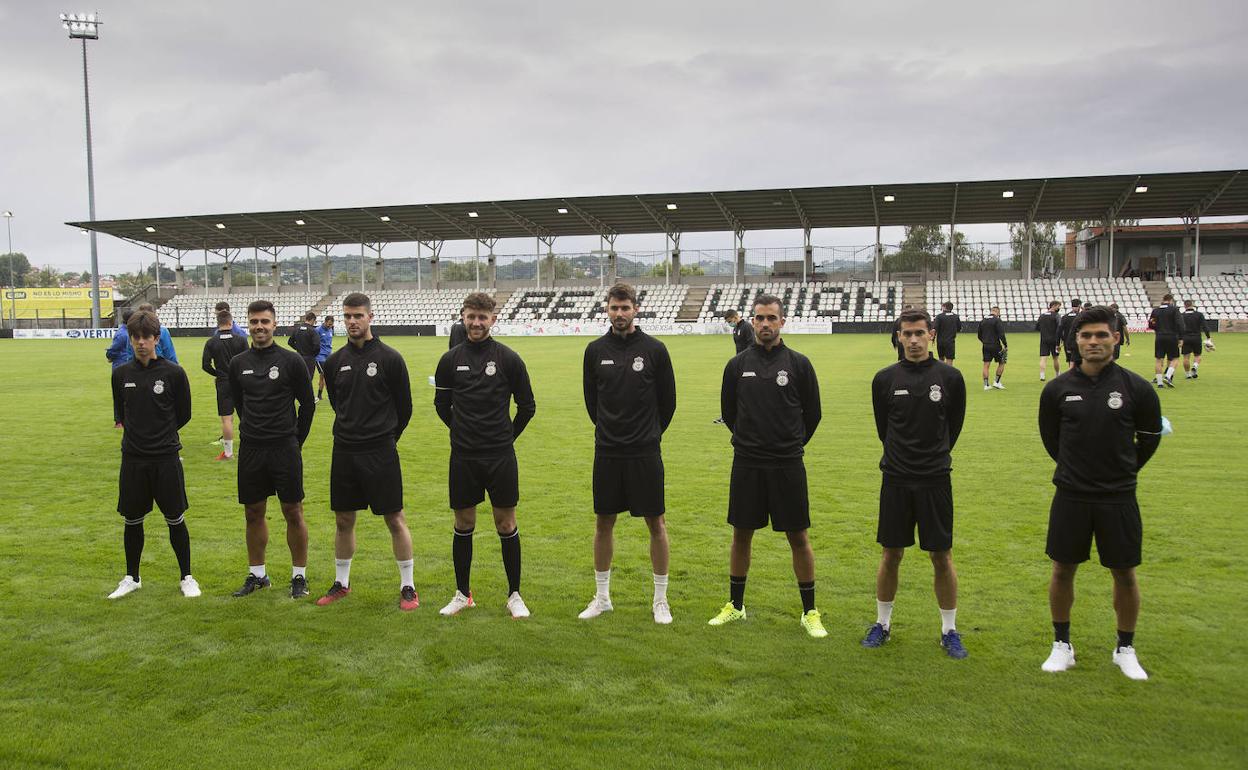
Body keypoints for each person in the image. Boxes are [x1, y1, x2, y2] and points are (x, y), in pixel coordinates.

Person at [1038, 305, 1163, 681]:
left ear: (1117, 338)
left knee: (1124, 573)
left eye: (1101, 335)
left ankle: (1125, 648)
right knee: (1062, 570)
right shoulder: (1058, 389)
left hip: (1118, 497)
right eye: (1086, 336)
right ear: (1075, 341)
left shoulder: (1136, 388)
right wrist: (1077, 468)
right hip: (1071, 495)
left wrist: (1123, 470)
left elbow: (1150, 439)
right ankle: (1062, 645)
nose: (1093, 342)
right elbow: (1051, 439)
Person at [710, 294, 827, 638]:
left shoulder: (799, 364)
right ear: (752, 321)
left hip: (787, 463)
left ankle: (810, 612)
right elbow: (729, 413)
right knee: (741, 535)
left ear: (782, 321)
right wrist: (749, 440)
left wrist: (790, 444)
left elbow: (813, 413)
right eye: (759, 318)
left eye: (771, 318)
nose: (764, 324)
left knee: (798, 537)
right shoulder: (737, 366)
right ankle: (736, 606)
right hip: (747, 462)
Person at [863, 308, 968, 658]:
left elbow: (952, 428)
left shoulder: (950, 378)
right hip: (895, 477)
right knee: (891, 553)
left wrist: (933, 455)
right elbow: (884, 429)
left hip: (935, 479)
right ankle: (882, 624)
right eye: (906, 334)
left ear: (931, 334)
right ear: (898, 337)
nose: (913, 340)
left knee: (941, 556)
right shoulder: (884, 379)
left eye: (919, 333)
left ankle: (949, 630)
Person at [434, 292, 537, 619]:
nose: (476, 323)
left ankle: (515, 595)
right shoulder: (450, 360)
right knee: (463, 522)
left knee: (506, 523)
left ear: (493, 319)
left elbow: (527, 407)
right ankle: (463, 594)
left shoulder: (509, 358)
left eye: (482, 317)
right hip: (463, 456)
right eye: (471, 316)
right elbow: (441, 405)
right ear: (462, 317)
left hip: (499, 457)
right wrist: (461, 431)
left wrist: (505, 436)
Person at [578, 283, 677, 624]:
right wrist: (611, 430)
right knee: (604, 522)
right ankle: (602, 597)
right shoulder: (594, 351)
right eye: (614, 308)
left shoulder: (655, 350)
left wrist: (647, 433)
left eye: (625, 308)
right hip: (607, 451)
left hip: (645, 452)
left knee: (656, 523)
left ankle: (660, 600)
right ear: (606, 310)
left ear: (636, 309)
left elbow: (668, 403)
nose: (619, 314)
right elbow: (593, 402)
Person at [317, 293, 418, 610]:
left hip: (380, 451)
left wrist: (386, 437)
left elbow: (405, 408)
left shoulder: (390, 358)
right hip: (345, 450)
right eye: (347, 316)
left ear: (370, 317)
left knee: (394, 518)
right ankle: (341, 582)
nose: (351, 322)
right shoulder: (334, 362)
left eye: (358, 315)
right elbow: (337, 402)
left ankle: (408, 587)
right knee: (344, 520)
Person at [107, 310, 199, 599]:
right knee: (132, 520)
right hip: (133, 459)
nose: (141, 342)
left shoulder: (173, 373)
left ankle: (187, 577)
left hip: (166, 457)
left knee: (175, 518)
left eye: (146, 337)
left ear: (156, 339)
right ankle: (132, 577)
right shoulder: (121, 374)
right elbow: (122, 413)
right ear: (130, 339)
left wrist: (161, 433)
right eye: (136, 337)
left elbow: (184, 413)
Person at [227, 300, 317, 599]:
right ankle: (257, 574)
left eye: (265, 321)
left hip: (284, 448)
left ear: (275, 324)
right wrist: (253, 428)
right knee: (253, 512)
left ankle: (299, 577)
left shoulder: (291, 362)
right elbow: (240, 404)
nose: (259, 327)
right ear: (248, 324)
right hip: (252, 448)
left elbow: (307, 404)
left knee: (293, 511)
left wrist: (295, 440)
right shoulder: (238, 363)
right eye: (254, 322)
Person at [201, 310, 248, 461]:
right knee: (247, 416)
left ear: (218, 323)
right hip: (241, 381)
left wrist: (218, 374)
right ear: (230, 322)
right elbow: (249, 359)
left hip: (223, 382)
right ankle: (252, 448)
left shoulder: (211, 342)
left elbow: (205, 365)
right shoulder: (240, 340)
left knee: (227, 419)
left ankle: (228, 453)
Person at [1148, 293, 1182, 388]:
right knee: (1175, 358)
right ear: (1171, 300)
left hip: (1159, 337)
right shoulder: (1174, 310)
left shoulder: (1156, 311)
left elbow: (1151, 324)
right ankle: (1167, 376)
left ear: (1163, 300)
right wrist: (1181, 338)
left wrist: (1158, 329)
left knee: (1159, 359)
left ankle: (1159, 383)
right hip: (1172, 336)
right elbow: (1180, 324)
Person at [977, 306, 1008, 390]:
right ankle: (996, 382)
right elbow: (1001, 334)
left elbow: (979, 335)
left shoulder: (983, 320)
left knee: (986, 365)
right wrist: (1005, 345)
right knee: (1002, 362)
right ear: (997, 312)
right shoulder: (997, 320)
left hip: (985, 345)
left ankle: (986, 385)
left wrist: (984, 341)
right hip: (996, 345)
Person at [1180, 300, 1212, 379]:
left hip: (1185, 338)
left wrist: (1179, 338)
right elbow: (1205, 327)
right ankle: (1195, 366)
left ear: (1185, 306)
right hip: (1196, 337)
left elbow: (1178, 328)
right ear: (1193, 305)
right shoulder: (1199, 315)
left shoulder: (1181, 316)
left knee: (1186, 357)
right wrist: (1208, 337)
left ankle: (1187, 374)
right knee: (1197, 355)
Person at [288, 311, 320, 380]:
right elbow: (317, 346)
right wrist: (312, 354)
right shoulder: (313, 331)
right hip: (309, 359)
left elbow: (290, 342)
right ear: (313, 320)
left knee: (298, 379)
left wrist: (298, 348)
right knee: (308, 379)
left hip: (298, 357)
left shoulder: (297, 329)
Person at [1036, 301, 1061, 381]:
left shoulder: (1042, 316)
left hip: (1044, 339)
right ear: (1053, 306)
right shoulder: (1056, 316)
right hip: (1054, 340)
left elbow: (1037, 327)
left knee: (1043, 358)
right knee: (1055, 358)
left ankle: (1042, 375)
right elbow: (1059, 327)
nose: (1059, 308)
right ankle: (1057, 374)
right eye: (1058, 306)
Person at [1057, 299, 1082, 371]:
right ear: (1079, 305)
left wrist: (1059, 342)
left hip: (1068, 342)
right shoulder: (1081, 316)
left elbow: (1059, 331)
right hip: (1079, 342)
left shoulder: (1065, 317)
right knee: (1080, 361)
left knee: (1070, 360)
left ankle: (1071, 376)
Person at [315, 315, 334, 403]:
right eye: (329, 324)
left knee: (322, 376)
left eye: (331, 325)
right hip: (320, 356)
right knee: (326, 375)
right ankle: (332, 396)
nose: (330, 326)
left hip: (329, 355)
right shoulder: (318, 330)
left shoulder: (330, 329)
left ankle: (319, 394)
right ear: (325, 322)